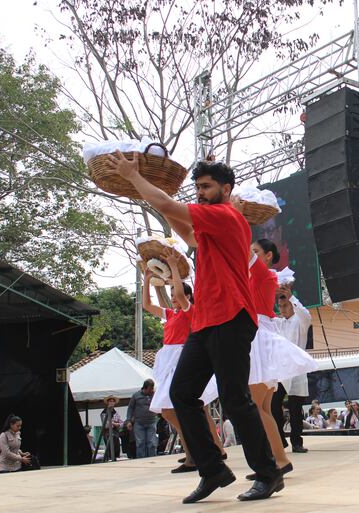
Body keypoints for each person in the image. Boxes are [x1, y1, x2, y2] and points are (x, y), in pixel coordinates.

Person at [107, 155, 282, 503]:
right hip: (204, 321)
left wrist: (134, 177)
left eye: (206, 187)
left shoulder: (226, 215)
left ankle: (268, 473)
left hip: (232, 316)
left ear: (226, 189)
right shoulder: (212, 223)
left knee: (236, 398)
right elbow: (185, 230)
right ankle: (213, 469)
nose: (200, 193)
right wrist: (165, 206)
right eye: (197, 187)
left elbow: (168, 205)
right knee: (182, 394)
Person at [142, 257, 225, 472]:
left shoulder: (191, 311)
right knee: (184, 410)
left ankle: (198, 449)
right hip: (170, 360)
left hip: (182, 359)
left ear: (188, 296)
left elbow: (180, 294)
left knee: (177, 409)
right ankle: (200, 449)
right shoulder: (171, 314)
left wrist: (174, 275)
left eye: (176, 295)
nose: (174, 299)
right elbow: (146, 305)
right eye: (171, 296)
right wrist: (146, 279)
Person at [245, 239, 318, 482]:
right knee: (264, 408)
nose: (251, 255)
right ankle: (279, 459)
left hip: (257, 338)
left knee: (258, 408)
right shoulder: (263, 278)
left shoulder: (265, 276)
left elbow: (241, 250)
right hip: (259, 336)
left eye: (256, 252)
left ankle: (273, 461)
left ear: (267, 256)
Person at [272, 272, 313, 454]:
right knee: (273, 404)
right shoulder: (278, 323)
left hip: (296, 369)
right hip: (280, 370)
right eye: (280, 306)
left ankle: (297, 442)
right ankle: (279, 439)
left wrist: (291, 297)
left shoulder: (300, 321)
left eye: (285, 305)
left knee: (296, 408)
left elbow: (306, 316)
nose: (282, 309)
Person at [126, 379, 158, 458]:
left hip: (151, 422)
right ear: (145, 388)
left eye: (152, 388)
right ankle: (141, 461)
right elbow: (130, 408)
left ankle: (153, 460)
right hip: (139, 423)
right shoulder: (136, 396)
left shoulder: (155, 395)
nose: (152, 390)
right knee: (140, 443)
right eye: (150, 388)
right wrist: (128, 421)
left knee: (152, 443)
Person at [99, 395, 122, 460]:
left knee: (117, 447)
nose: (112, 403)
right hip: (107, 432)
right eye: (110, 401)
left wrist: (113, 423)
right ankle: (110, 459)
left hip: (115, 432)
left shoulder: (116, 413)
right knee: (109, 448)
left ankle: (116, 458)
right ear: (108, 402)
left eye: (113, 401)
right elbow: (106, 425)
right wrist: (115, 423)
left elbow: (121, 423)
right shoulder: (103, 413)